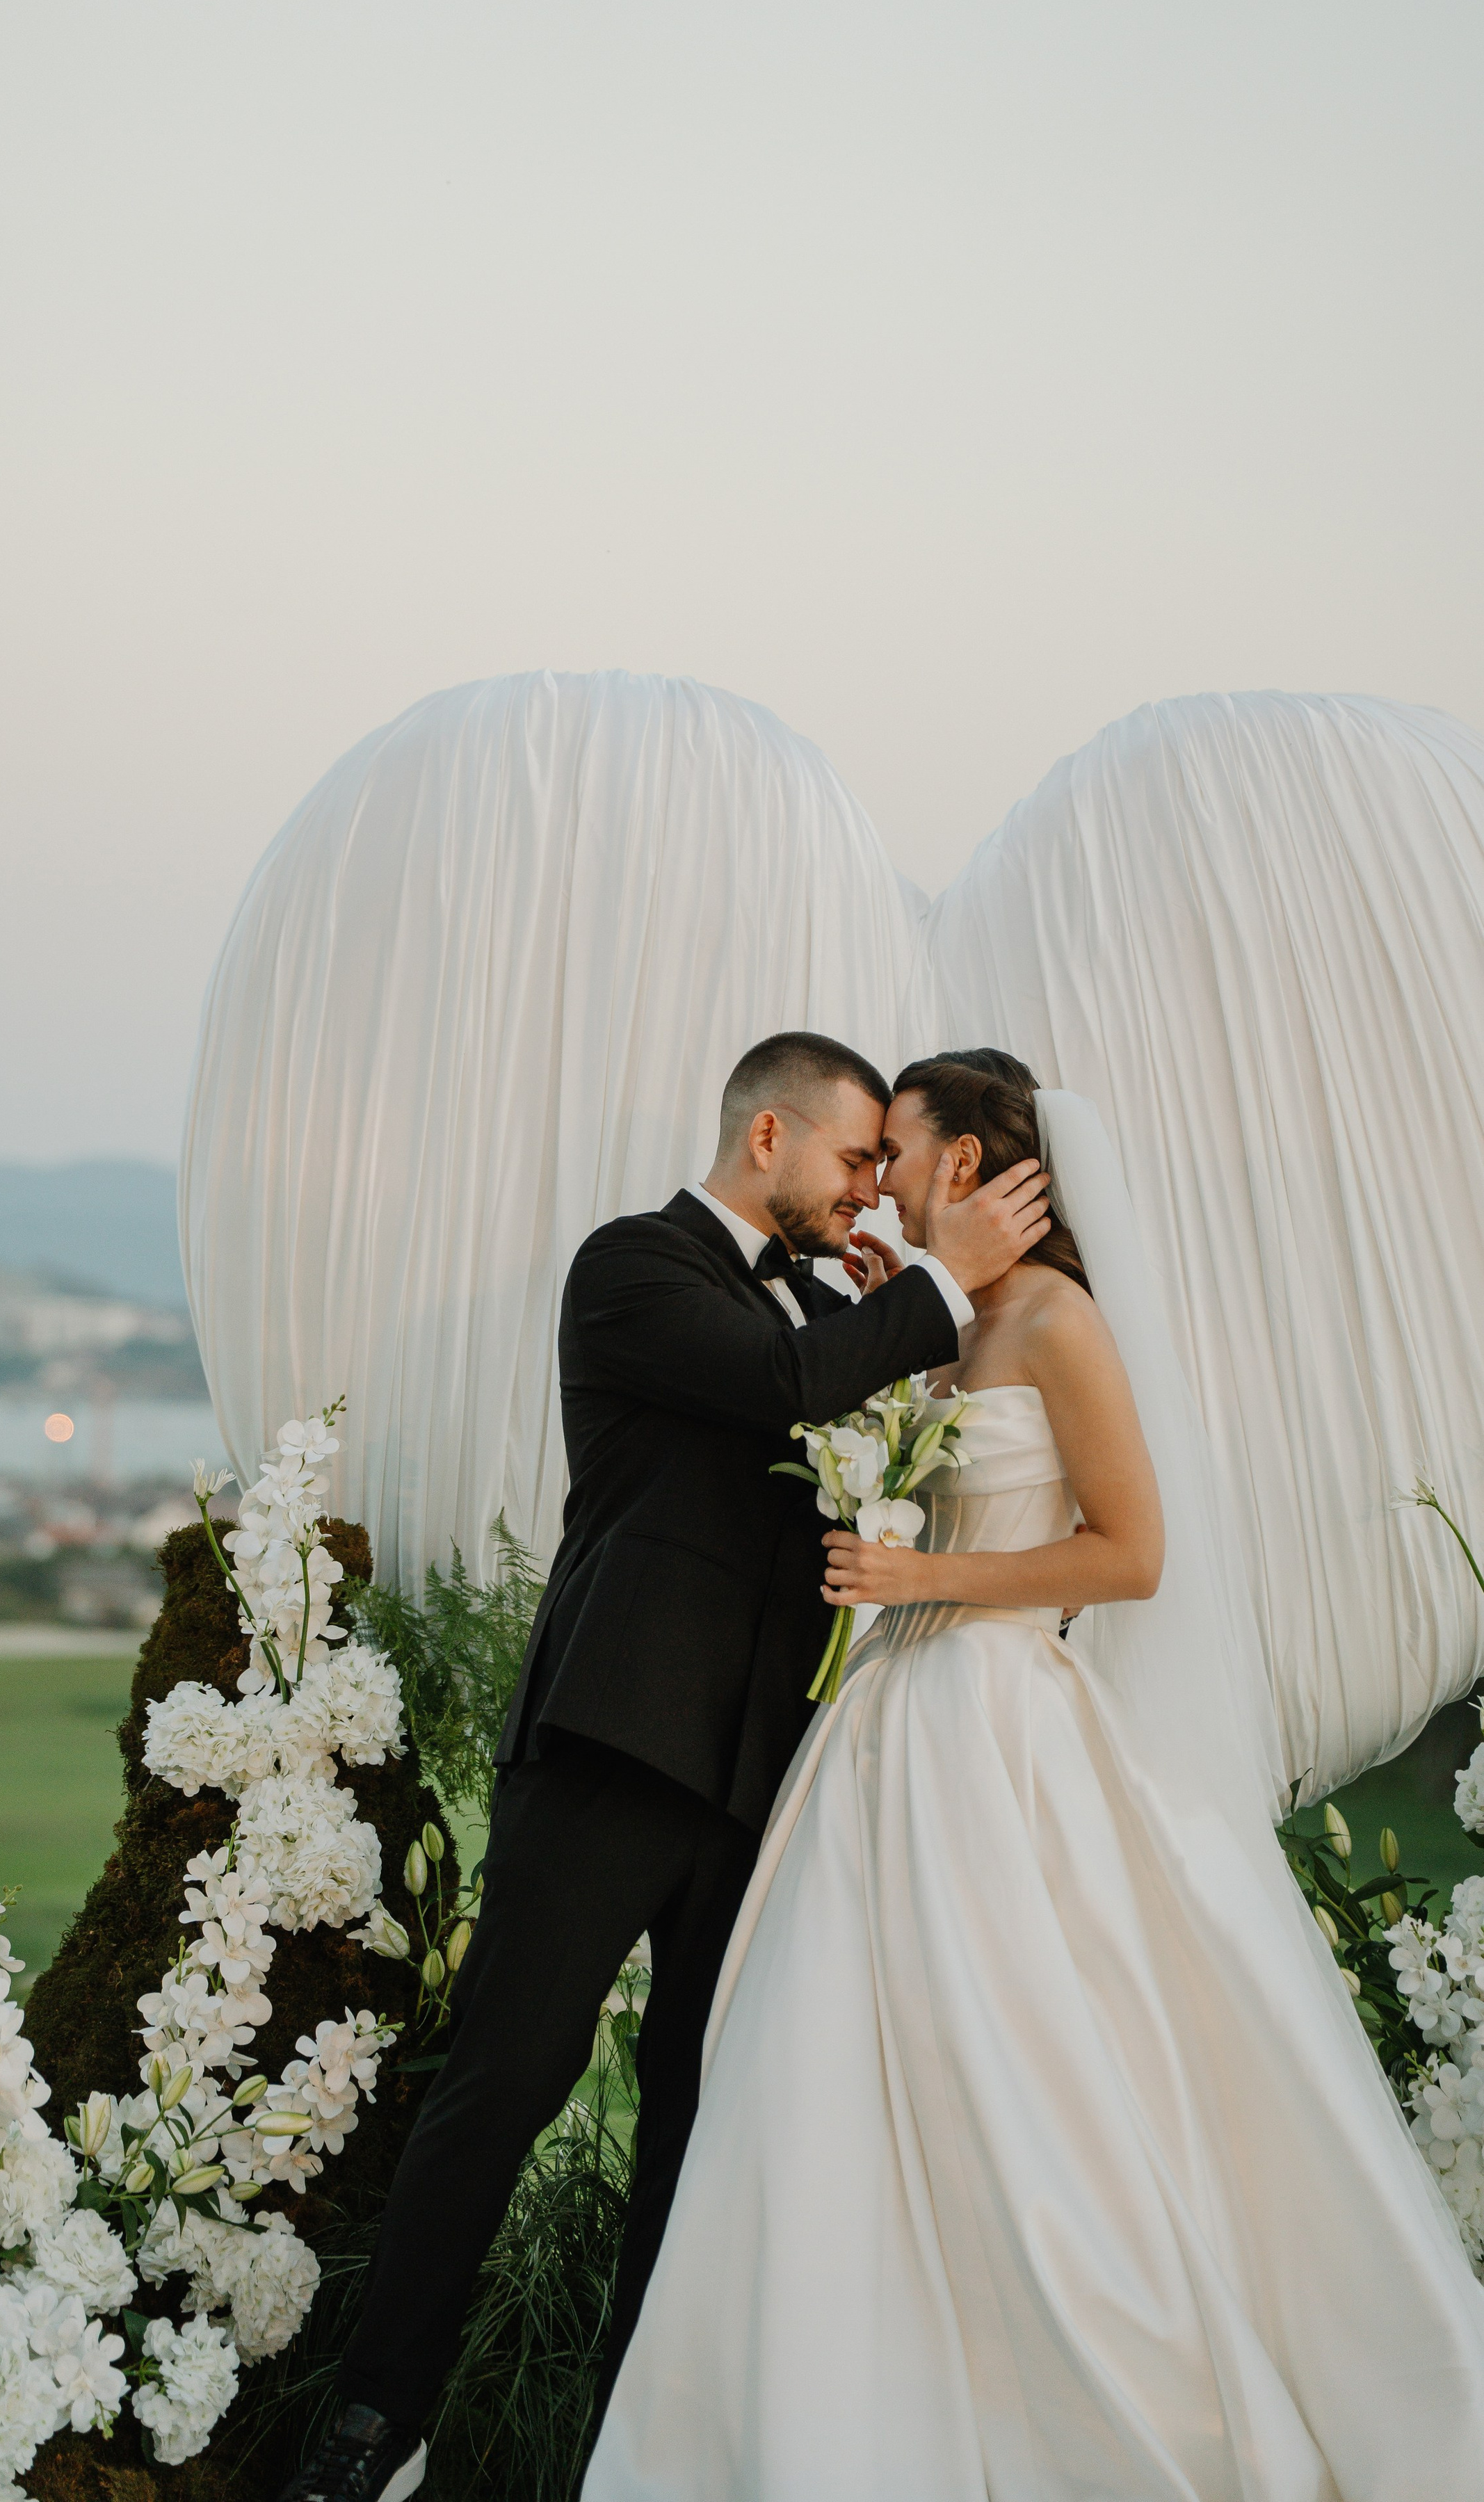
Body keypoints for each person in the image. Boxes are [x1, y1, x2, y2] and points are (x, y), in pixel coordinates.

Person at [584, 1051, 1484, 2501]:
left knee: (1018, 2061)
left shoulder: (1059, 1321)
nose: (877, 1178)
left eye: (903, 1150)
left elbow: (1129, 1556)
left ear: (963, 1166)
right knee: (824, 2063)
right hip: (879, 1732)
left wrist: (922, 1572)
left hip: (995, 1724)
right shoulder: (924, 1327)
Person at [281, 1032, 1051, 2502]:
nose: (869, 1190)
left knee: (695, 2126)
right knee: (502, 2087)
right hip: (612, 1753)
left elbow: (846, 1414)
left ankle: (630, 2457)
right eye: (851, 1159)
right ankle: (370, 2434)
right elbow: (777, 1384)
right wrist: (943, 1282)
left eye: (886, 1169)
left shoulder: (841, 1301)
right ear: (766, 1137)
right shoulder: (629, 1265)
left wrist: (906, 1324)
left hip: (763, 1781)